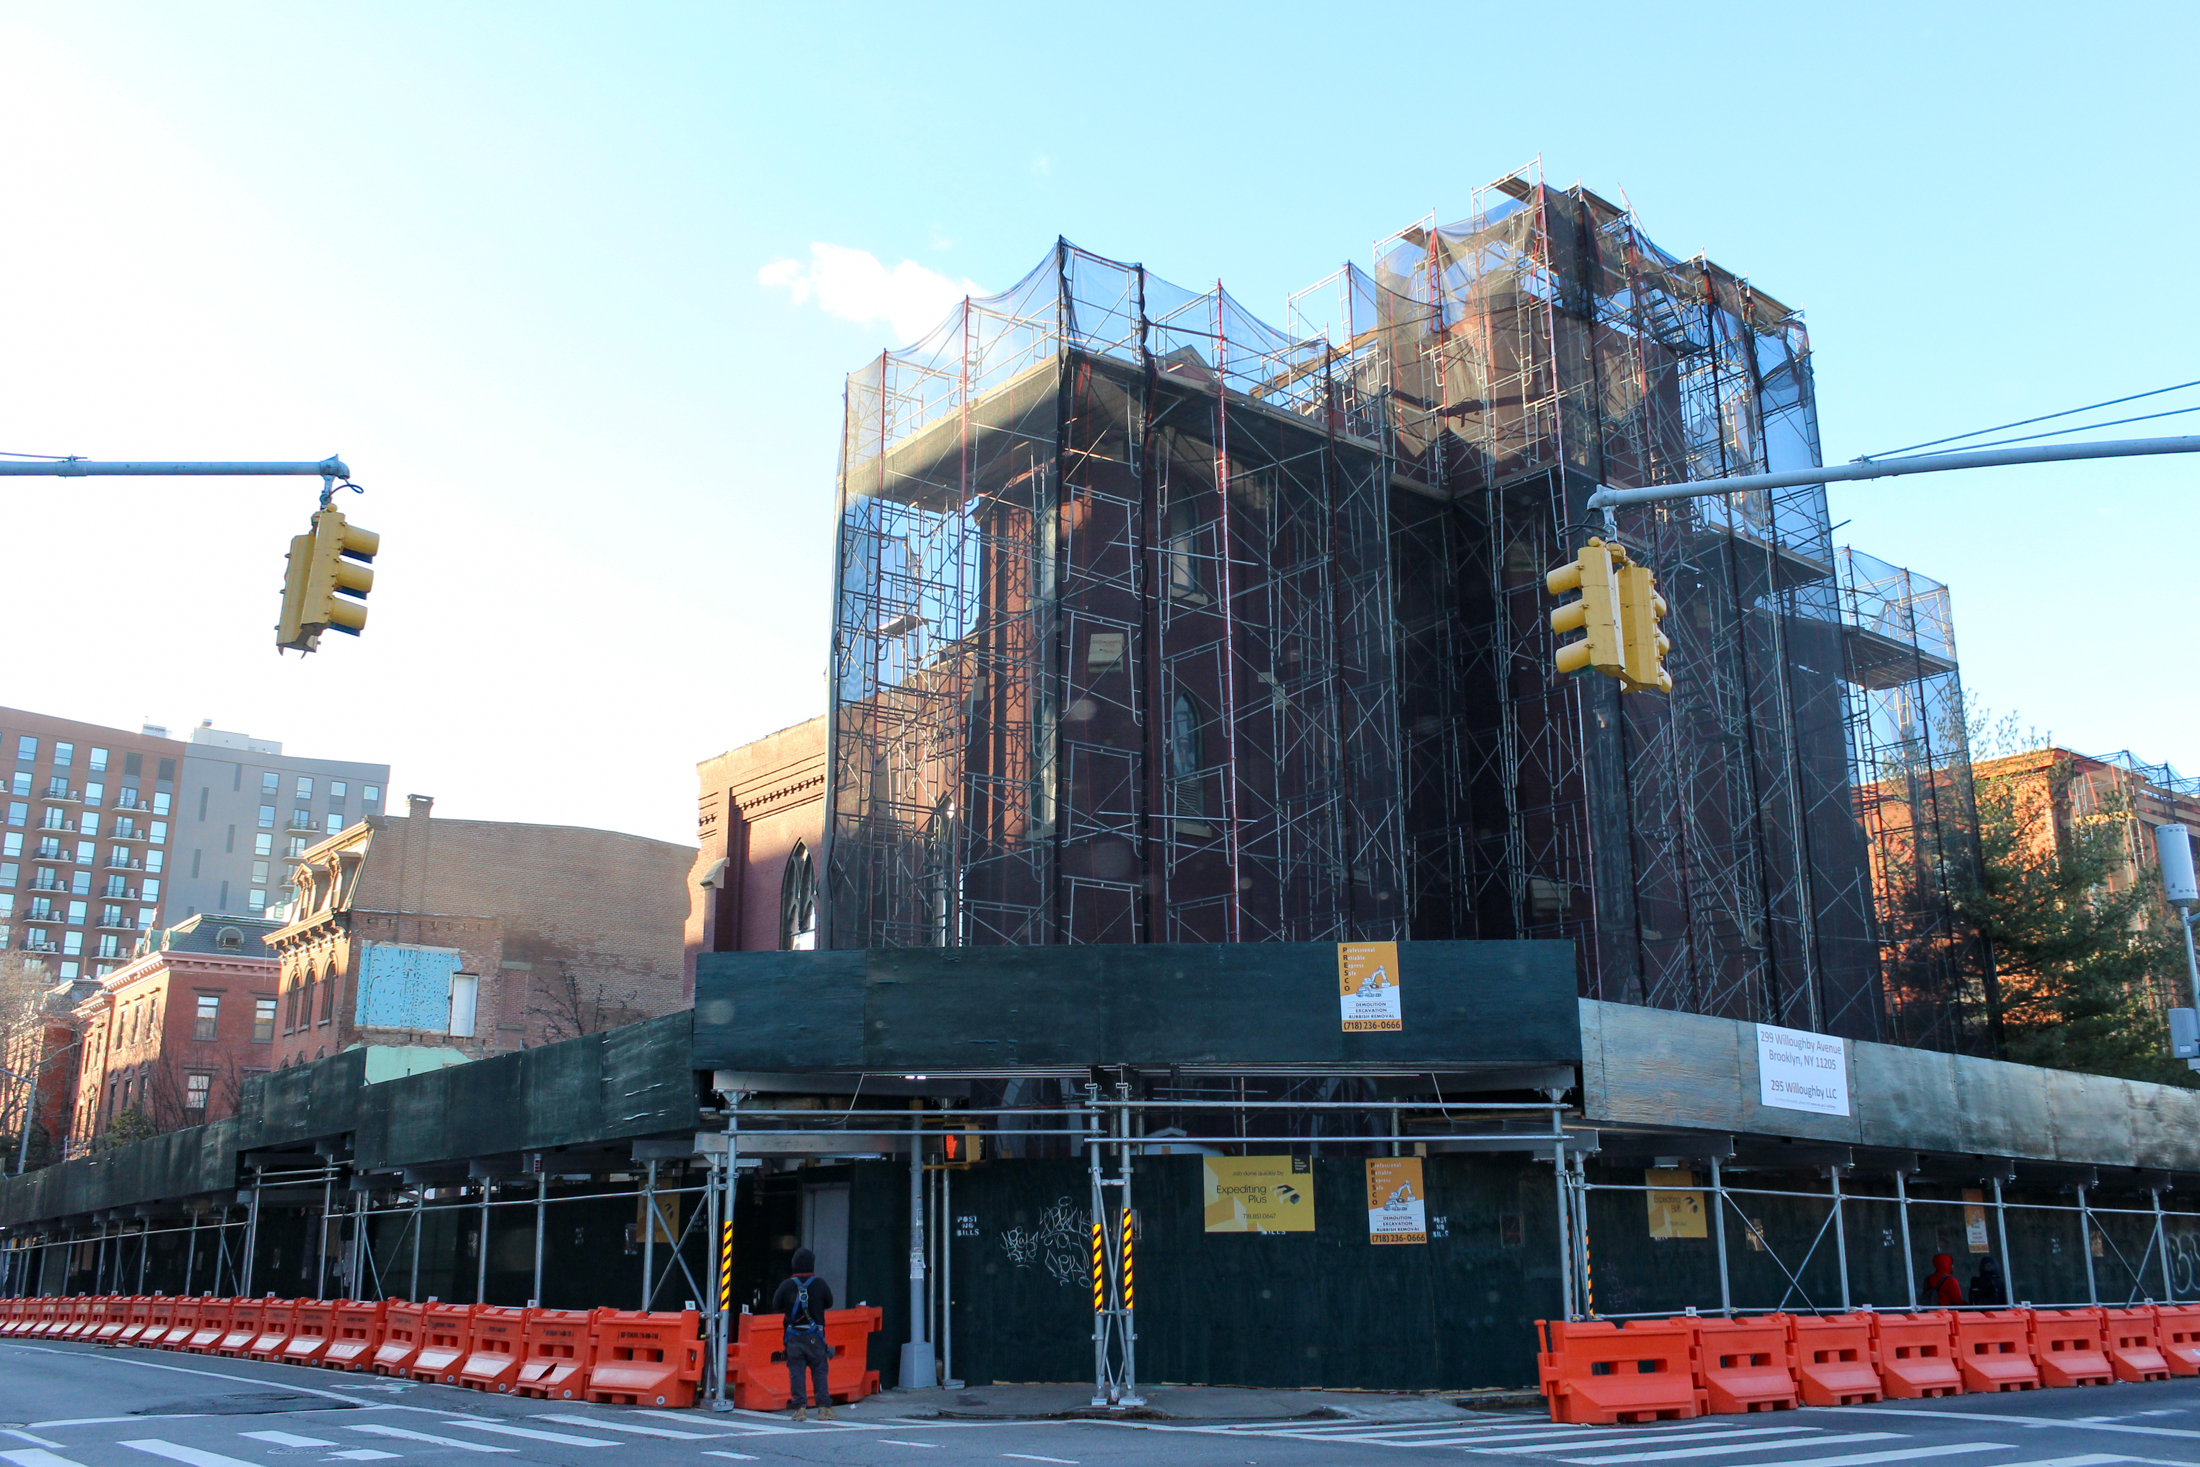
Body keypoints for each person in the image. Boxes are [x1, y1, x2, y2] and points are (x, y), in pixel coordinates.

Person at [772, 1247, 835, 1421]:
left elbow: (776, 1304)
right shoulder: (820, 1284)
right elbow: (829, 1302)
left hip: (793, 1336)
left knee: (796, 1372)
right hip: (816, 1336)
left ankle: (800, 1409)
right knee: (820, 1371)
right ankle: (824, 1409)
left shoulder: (787, 1285)